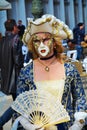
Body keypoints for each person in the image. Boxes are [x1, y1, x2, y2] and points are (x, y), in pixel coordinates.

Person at [0, 15, 87, 130]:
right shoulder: (26, 72)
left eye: (45, 39)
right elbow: (20, 105)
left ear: (55, 42)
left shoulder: (69, 69)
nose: (41, 44)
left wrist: (78, 123)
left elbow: (80, 99)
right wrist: (27, 124)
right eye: (36, 40)